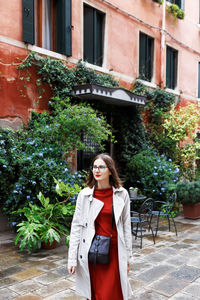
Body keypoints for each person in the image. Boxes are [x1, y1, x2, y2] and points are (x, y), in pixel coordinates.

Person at [68, 153, 132, 300]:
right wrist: (72, 259)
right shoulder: (84, 195)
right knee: (95, 293)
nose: (97, 170)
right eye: (94, 167)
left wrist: (128, 259)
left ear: (110, 170)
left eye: (101, 167)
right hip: (93, 251)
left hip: (115, 251)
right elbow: (76, 226)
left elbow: (126, 227)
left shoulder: (122, 194)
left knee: (113, 293)